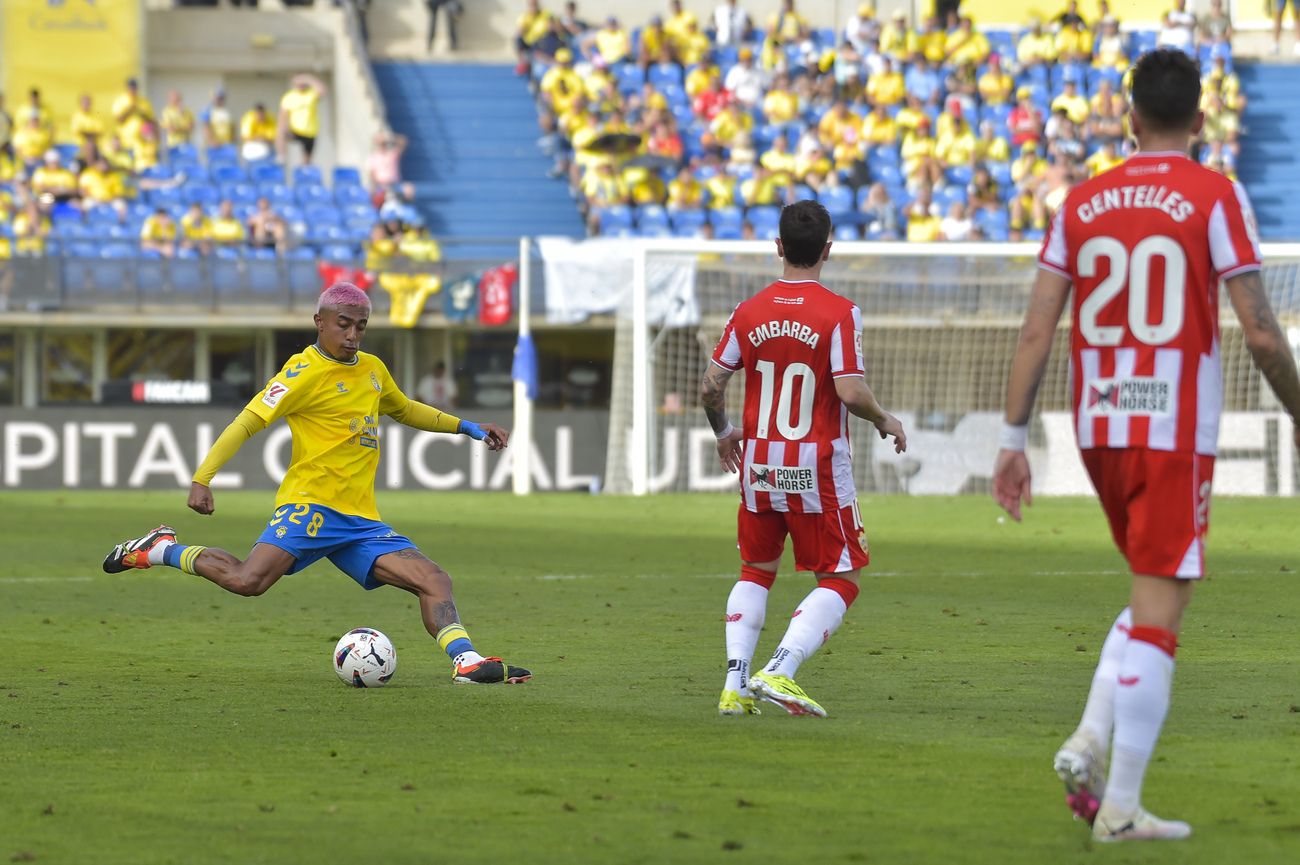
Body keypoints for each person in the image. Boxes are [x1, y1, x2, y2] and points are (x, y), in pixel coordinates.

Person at [992, 49, 1300, 843]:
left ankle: (1090, 738)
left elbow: (1036, 327)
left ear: (1130, 120)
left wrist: (1013, 437)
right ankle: (1120, 807)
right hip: (1170, 428)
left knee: (1152, 590)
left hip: (1096, 426)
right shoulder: (1215, 195)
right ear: (1201, 122)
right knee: (1163, 611)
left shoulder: (1081, 201)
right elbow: (1262, 332)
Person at [102, 282, 532, 686]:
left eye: (360, 325)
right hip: (310, 508)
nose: (352, 334)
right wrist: (202, 478)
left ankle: (466, 662)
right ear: (319, 322)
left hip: (360, 520)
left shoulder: (372, 369)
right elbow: (249, 421)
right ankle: (160, 548)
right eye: (343, 323)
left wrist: (468, 427)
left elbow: (403, 409)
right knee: (248, 582)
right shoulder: (301, 371)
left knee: (434, 579)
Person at [700, 200, 906, 718]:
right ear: (828, 251)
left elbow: (710, 386)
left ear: (779, 247)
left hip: (759, 466)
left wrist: (725, 432)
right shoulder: (839, 313)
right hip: (816, 468)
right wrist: (884, 418)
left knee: (755, 570)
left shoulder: (747, 311)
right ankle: (781, 670)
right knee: (842, 577)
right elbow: (851, 392)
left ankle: (735, 684)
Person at [279, 73, 326, 165]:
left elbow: (322, 91)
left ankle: (304, 172)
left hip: (310, 132)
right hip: (296, 130)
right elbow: (283, 115)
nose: (300, 85)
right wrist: (284, 127)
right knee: (280, 134)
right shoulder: (289, 97)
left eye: (302, 83)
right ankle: (282, 157)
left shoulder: (311, 94)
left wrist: (308, 79)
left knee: (307, 161)